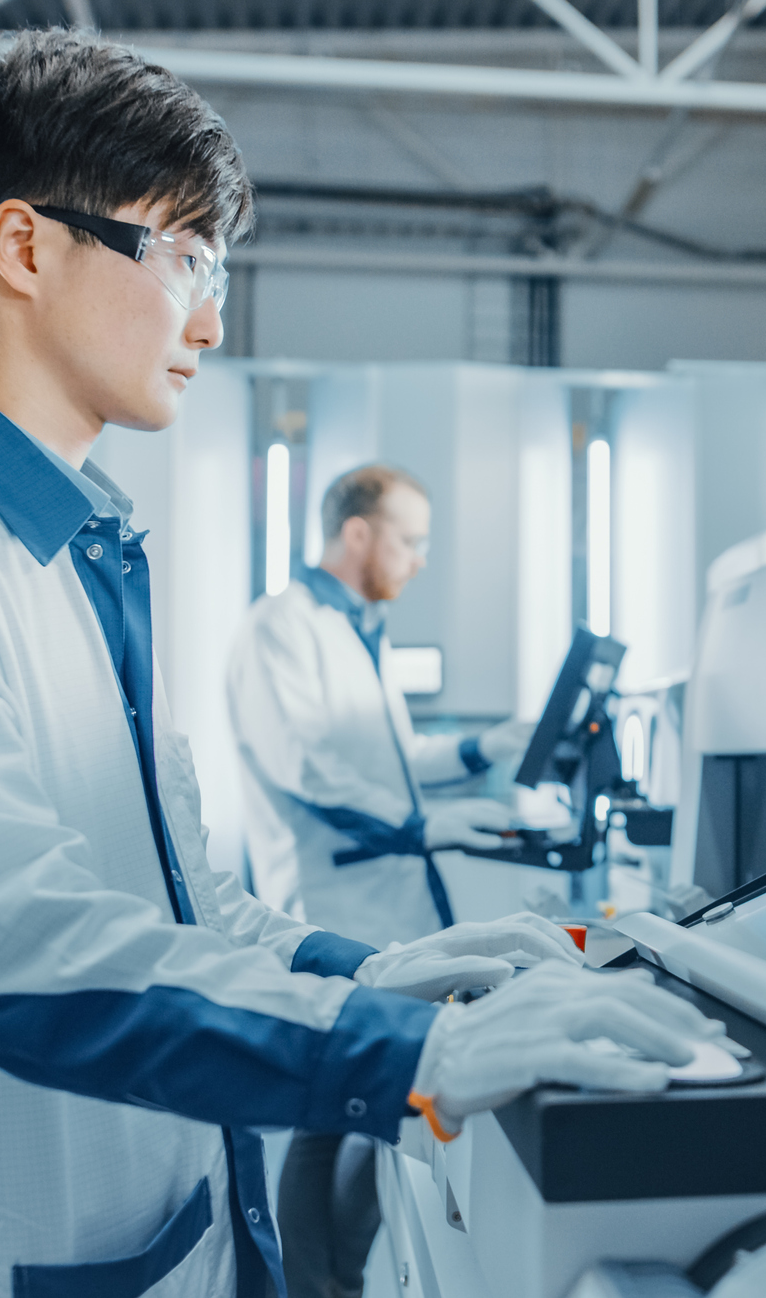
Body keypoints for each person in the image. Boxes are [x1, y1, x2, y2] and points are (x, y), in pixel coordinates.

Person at [0, 30, 715, 1297]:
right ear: (25, 247)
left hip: (171, 1233)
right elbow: (10, 949)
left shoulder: (86, 551)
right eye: (187, 258)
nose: (209, 317)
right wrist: (399, 1049)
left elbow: (178, 904)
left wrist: (366, 972)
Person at [226, 463, 536, 1297]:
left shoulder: (363, 629)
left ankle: (340, 1280)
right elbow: (309, 770)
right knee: (326, 1116)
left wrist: (483, 747)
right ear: (357, 533)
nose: (421, 558)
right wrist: (422, 825)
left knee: (365, 1105)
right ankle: (317, 1286)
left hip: (387, 899)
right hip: (328, 900)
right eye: (411, 539)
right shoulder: (279, 627)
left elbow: (395, 764)